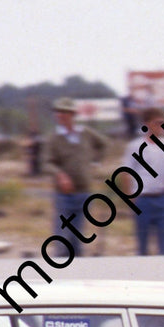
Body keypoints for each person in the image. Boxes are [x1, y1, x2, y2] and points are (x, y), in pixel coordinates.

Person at [45, 96, 109, 256]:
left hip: (83, 192)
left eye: (64, 112)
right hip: (64, 194)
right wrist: (60, 175)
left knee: (77, 236)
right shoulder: (53, 138)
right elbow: (46, 162)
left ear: (72, 114)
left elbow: (104, 144)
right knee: (62, 236)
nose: (60, 115)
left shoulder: (85, 133)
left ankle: (76, 272)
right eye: (58, 112)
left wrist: (95, 162)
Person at [130, 106, 164, 255]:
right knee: (142, 245)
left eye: (163, 122)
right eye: (157, 122)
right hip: (143, 199)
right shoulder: (135, 146)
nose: (161, 126)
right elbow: (126, 173)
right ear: (147, 123)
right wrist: (131, 198)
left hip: (162, 199)